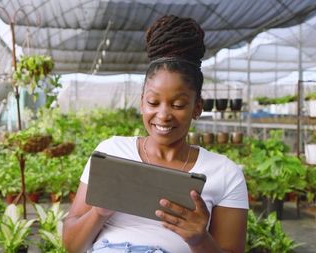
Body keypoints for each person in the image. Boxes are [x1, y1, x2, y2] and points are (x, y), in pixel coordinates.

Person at [62, 15, 248, 253]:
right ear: (141, 103)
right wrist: (100, 211)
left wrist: (199, 239)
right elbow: (72, 245)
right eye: (153, 102)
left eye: (178, 105)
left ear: (197, 108)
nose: (163, 115)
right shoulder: (111, 153)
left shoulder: (225, 173)